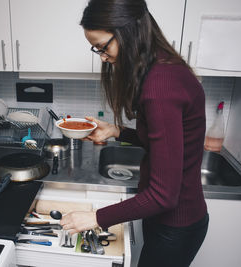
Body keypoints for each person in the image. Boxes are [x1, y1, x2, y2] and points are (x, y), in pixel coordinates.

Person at [59, 0, 209, 266]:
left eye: (103, 47)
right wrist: (118, 131)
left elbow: (163, 195)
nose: (103, 57)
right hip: (172, 220)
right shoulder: (165, 67)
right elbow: (169, 143)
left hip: (176, 226)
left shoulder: (159, 86)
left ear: (130, 32)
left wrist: (95, 217)